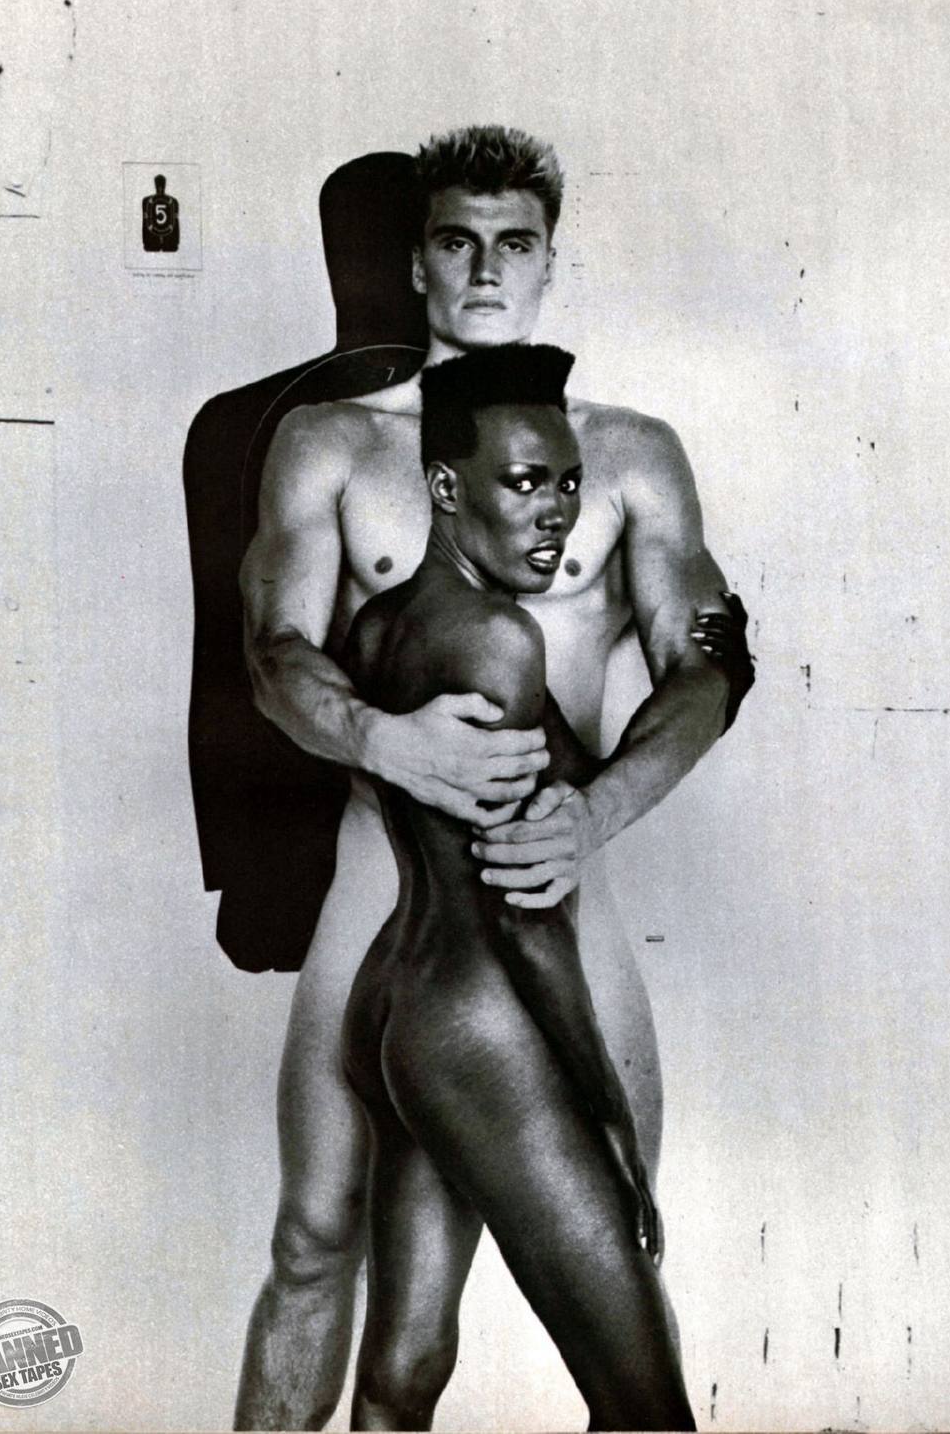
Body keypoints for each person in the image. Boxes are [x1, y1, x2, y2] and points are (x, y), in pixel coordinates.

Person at [237, 125, 753, 1430]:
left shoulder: (629, 455)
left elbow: (709, 668)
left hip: (553, 880)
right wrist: (381, 740)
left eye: (513, 243)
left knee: (618, 1247)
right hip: (381, 876)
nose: (484, 269)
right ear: (416, 262)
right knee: (314, 1235)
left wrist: (595, 811)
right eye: (455, 241)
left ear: (547, 261)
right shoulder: (330, 445)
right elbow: (274, 655)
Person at [341, 342, 695, 1431]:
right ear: (447, 489)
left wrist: (712, 674)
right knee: (647, 1412)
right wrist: (609, 1125)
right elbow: (521, 912)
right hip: (480, 1019)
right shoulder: (498, 640)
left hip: (394, 1001)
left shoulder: (382, 624)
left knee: (400, 1376)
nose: (558, 515)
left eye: (569, 482)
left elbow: (545, 783)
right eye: (525, 482)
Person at [183, 152, 427, 972]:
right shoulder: (245, 422)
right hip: (356, 819)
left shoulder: (233, 421)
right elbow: (232, 656)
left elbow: (223, 662)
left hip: (304, 828)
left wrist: (242, 865)